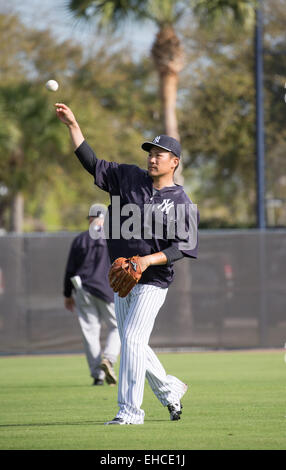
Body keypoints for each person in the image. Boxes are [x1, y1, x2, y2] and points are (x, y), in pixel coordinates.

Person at [56, 103, 199, 425]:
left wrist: (147, 261)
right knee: (135, 341)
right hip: (122, 276)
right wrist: (73, 125)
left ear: (174, 162)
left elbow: (184, 248)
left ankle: (130, 412)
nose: (152, 157)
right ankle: (169, 388)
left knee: (131, 340)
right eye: (150, 152)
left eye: (159, 154)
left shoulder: (181, 201)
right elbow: (91, 162)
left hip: (153, 280)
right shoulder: (127, 178)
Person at [63, 204, 121, 386]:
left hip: (83, 289)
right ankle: (109, 359)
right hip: (108, 289)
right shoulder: (115, 237)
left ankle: (98, 375)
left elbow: (70, 270)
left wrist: (67, 294)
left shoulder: (81, 239)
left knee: (90, 332)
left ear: (90, 218)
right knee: (119, 326)